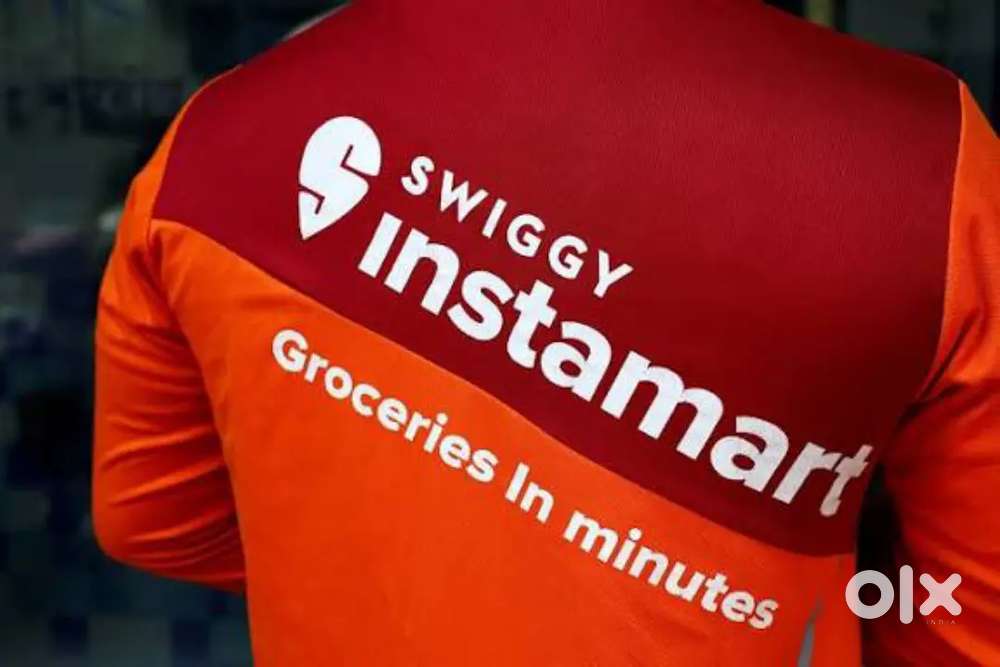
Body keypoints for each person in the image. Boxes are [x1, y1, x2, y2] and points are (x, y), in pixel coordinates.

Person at [92, 1, 999, 665]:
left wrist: (410, 580)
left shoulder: (222, 138)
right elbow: (969, 621)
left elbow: (152, 519)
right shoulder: (933, 171)